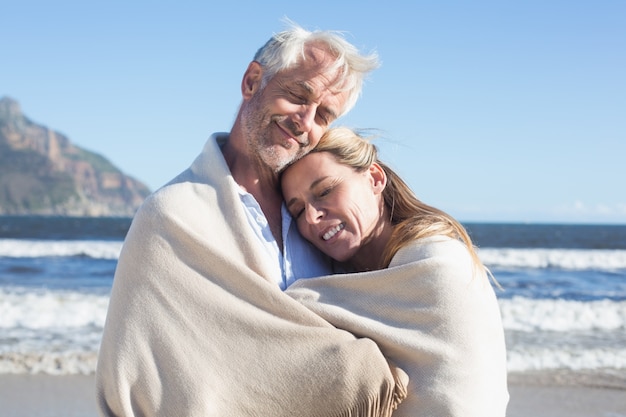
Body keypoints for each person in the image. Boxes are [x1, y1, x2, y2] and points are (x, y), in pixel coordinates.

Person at [96, 22, 409, 417]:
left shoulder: (317, 224)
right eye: (298, 95)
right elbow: (134, 378)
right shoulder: (172, 215)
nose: (305, 121)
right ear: (251, 81)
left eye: (324, 115)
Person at [282, 127, 510, 416]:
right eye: (298, 211)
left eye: (325, 191)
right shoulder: (371, 276)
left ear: (375, 179)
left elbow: (292, 305)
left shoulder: (433, 258)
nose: (313, 216)